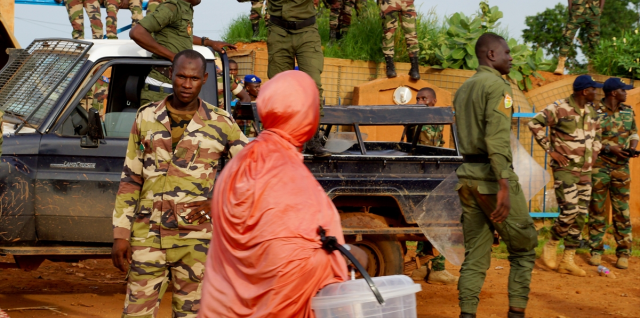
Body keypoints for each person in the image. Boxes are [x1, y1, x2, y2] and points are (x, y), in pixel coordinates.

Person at [198, 70, 368, 318]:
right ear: (304, 115)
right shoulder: (287, 173)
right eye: (313, 108)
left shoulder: (242, 159)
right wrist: (345, 254)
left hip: (225, 305)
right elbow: (294, 259)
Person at [111, 49, 248, 318]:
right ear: (170, 75)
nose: (187, 84)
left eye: (194, 78)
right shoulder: (146, 116)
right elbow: (130, 178)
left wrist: (218, 201)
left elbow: (250, 171)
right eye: (181, 76)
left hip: (196, 241)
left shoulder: (221, 123)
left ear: (205, 79)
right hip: (148, 237)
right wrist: (120, 234)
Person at [211, 0, 343, 156]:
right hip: (279, 33)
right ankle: (283, 137)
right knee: (279, 88)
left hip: (306, 33)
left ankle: (312, 138)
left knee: (312, 85)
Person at [454, 33, 537, 318]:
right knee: (524, 248)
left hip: (467, 176)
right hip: (491, 178)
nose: (511, 57)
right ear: (491, 54)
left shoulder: (465, 87)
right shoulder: (498, 86)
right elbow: (496, 136)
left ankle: (467, 314)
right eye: (507, 52)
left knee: (475, 254)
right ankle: (516, 314)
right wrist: (503, 180)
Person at [528, 74, 602, 277]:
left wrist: (594, 152)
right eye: (594, 89)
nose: (596, 92)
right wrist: (550, 150)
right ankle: (552, 243)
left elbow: (599, 135)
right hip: (565, 169)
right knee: (569, 211)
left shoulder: (592, 112)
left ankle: (567, 260)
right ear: (584, 91)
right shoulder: (558, 107)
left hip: (585, 171)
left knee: (580, 215)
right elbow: (534, 123)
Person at [129, 0, 234, 105]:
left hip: (172, 88)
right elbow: (137, 32)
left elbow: (183, 35)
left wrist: (209, 42)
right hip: (160, 88)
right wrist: (173, 57)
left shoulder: (183, 8)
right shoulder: (171, 8)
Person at [408, 87, 458, 286]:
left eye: (424, 98)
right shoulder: (420, 118)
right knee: (439, 221)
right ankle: (436, 269)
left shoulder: (434, 119)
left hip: (429, 174)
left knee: (428, 220)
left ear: (433, 101)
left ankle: (421, 268)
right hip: (425, 175)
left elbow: (439, 145)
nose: (420, 101)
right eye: (418, 98)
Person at [589, 77, 638, 270]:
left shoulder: (628, 111)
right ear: (613, 93)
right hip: (599, 166)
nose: (626, 93)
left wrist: (632, 147)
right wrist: (610, 149)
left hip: (621, 168)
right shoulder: (594, 112)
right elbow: (589, 138)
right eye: (623, 90)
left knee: (622, 211)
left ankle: (623, 253)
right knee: (597, 209)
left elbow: (634, 133)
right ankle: (596, 251)